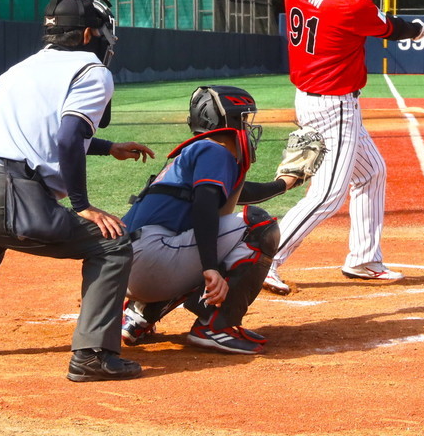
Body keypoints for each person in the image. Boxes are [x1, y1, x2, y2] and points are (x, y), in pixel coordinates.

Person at [0, 0, 155, 382]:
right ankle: (92, 355)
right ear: (85, 36)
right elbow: (64, 139)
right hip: (4, 192)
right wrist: (82, 205)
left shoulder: (22, 67)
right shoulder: (91, 70)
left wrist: (106, 147)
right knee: (112, 243)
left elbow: (35, 134)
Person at [263, 0, 424, 295]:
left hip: (312, 97)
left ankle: (364, 259)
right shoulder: (350, 4)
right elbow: (390, 27)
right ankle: (264, 259)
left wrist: (406, 27)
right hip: (333, 105)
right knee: (328, 194)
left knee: (371, 173)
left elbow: (380, 22)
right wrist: (414, 30)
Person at [120, 86, 302, 355]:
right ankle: (217, 327)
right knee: (258, 226)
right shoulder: (216, 151)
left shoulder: (195, 153)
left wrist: (284, 184)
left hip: (124, 269)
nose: (248, 125)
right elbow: (205, 207)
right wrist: (209, 268)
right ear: (226, 120)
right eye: (243, 117)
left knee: (207, 235)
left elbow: (237, 192)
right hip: (152, 262)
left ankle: (140, 314)